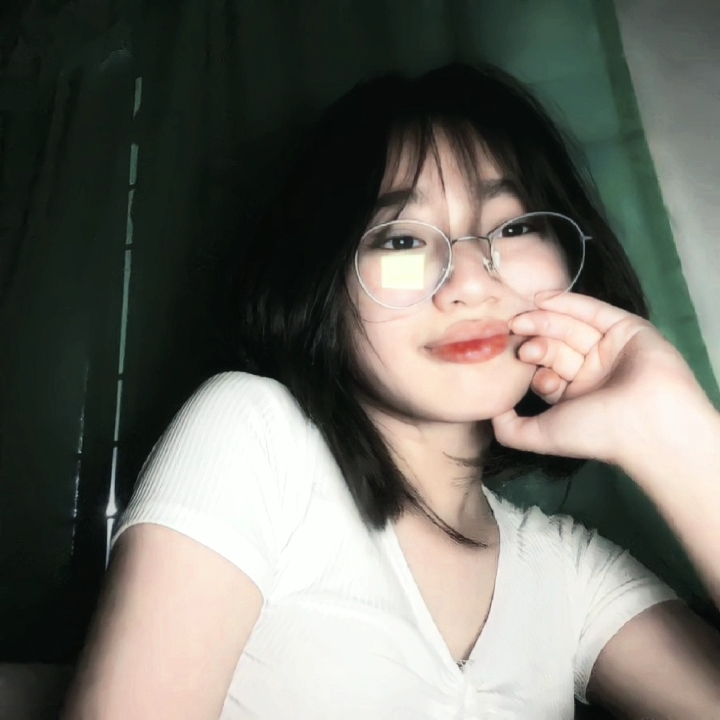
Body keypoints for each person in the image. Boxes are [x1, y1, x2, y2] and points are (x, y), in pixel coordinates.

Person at [62, 63, 720, 719]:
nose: (469, 282)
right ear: (323, 284)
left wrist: (673, 433)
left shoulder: (566, 572)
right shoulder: (256, 437)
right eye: (402, 239)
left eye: (514, 228)